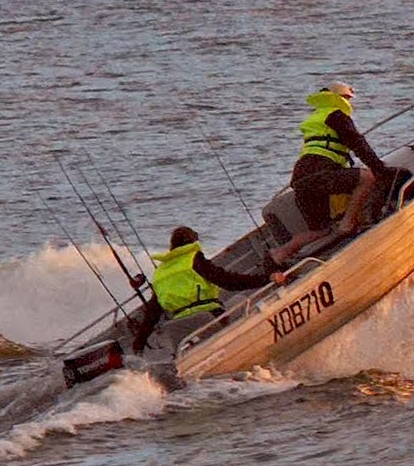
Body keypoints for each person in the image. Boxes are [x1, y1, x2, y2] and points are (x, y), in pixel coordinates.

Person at [266, 81, 392, 267]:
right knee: (367, 178)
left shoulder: (318, 116)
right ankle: (348, 223)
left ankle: (278, 254)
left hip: (300, 177)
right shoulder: (337, 116)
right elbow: (358, 144)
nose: (350, 102)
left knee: (320, 230)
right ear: (340, 98)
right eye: (348, 98)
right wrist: (379, 168)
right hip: (319, 172)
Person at [130, 226, 287, 355]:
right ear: (194, 241)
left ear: (172, 246)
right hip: (208, 320)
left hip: (178, 330)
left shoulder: (160, 273)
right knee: (240, 299)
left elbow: (152, 313)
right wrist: (267, 278)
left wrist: (139, 343)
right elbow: (229, 282)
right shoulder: (194, 259)